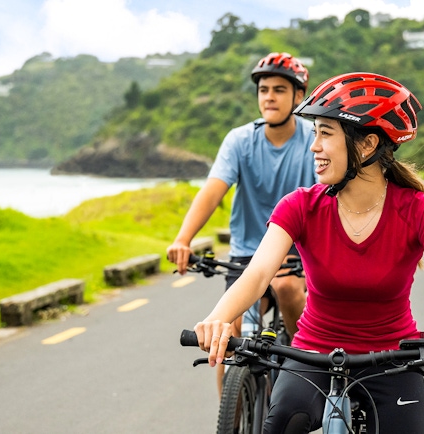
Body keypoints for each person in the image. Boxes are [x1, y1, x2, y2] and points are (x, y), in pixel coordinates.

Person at [193, 72, 424, 433]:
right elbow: (256, 275)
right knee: (283, 421)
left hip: (394, 359)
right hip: (313, 353)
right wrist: (219, 318)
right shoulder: (300, 206)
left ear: (366, 145)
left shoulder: (419, 209)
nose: (313, 146)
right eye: (314, 133)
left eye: (326, 133)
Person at [167, 52, 316, 396]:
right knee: (228, 333)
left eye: (280, 89)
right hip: (247, 256)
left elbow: (329, 196)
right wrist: (184, 239)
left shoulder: (312, 139)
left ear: (298, 96)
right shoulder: (240, 140)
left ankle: (302, 367)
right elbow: (212, 191)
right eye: (263, 89)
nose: (269, 97)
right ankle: (230, 416)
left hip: (296, 258)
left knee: (290, 291)